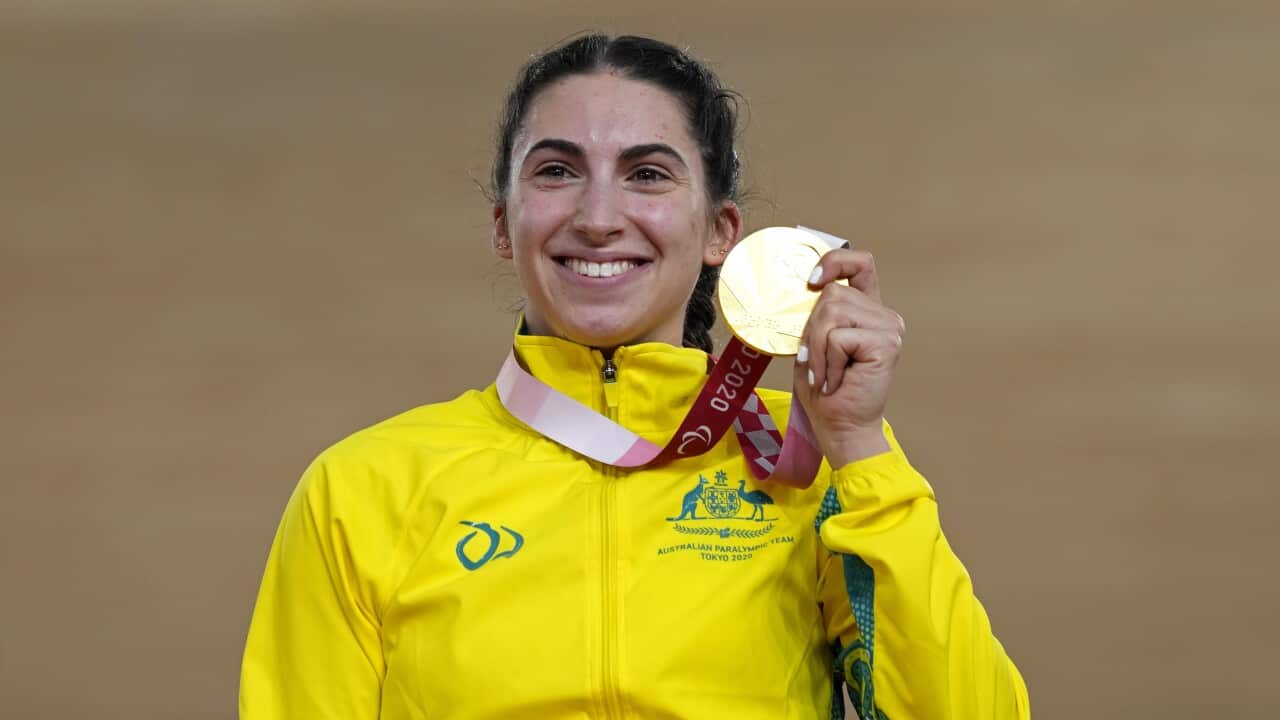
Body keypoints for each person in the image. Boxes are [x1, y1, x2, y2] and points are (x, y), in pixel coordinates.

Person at [239, 34, 1030, 719]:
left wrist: (858, 447)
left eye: (647, 174)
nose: (597, 218)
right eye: (557, 171)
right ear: (503, 225)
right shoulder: (363, 489)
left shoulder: (813, 464)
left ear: (720, 231)